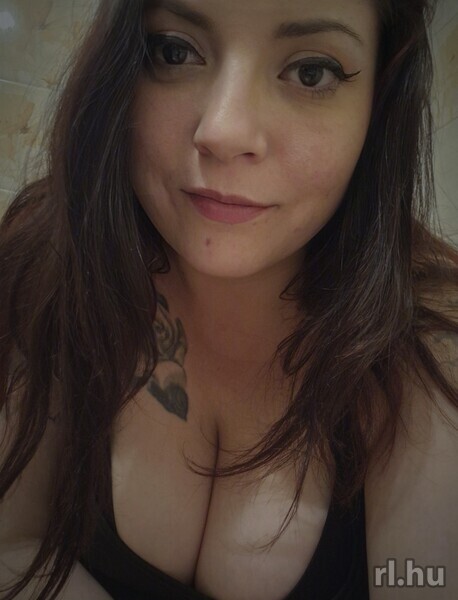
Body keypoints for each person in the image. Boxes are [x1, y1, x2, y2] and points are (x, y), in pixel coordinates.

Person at [0, 0, 457, 598]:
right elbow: (12, 543)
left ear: (380, 101)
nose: (222, 130)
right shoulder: (53, 254)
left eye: (311, 71)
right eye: (174, 51)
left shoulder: (432, 345)